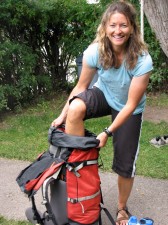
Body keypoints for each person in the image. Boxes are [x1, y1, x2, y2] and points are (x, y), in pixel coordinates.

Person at [52, 1, 153, 225]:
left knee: (125, 164)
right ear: (105, 27)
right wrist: (62, 116)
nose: (118, 31)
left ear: (132, 28)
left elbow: (129, 104)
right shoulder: (95, 51)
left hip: (129, 107)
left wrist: (107, 132)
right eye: (113, 25)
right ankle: (81, 173)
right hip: (104, 94)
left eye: (124, 25)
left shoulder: (143, 60)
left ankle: (121, 209)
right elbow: (80, 87)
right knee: (76, 108)